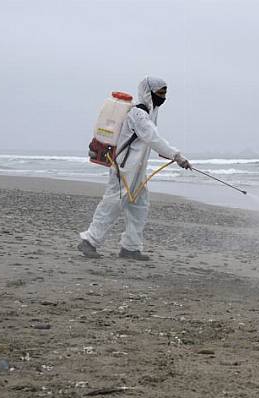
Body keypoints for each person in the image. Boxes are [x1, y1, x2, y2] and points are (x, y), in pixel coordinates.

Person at [78, 76, 192, 261]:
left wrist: (173, 155)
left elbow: (151, 139)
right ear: (148, 92)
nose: (163, 97)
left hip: (137, 171)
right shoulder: (137, 113)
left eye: (165, 93)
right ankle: (89, 241)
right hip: (123, 169)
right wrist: (177, 156)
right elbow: (153, 138)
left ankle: (130, 248)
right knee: (112, 205)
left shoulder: (149, 113)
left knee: (139, 207)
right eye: (160, 92)